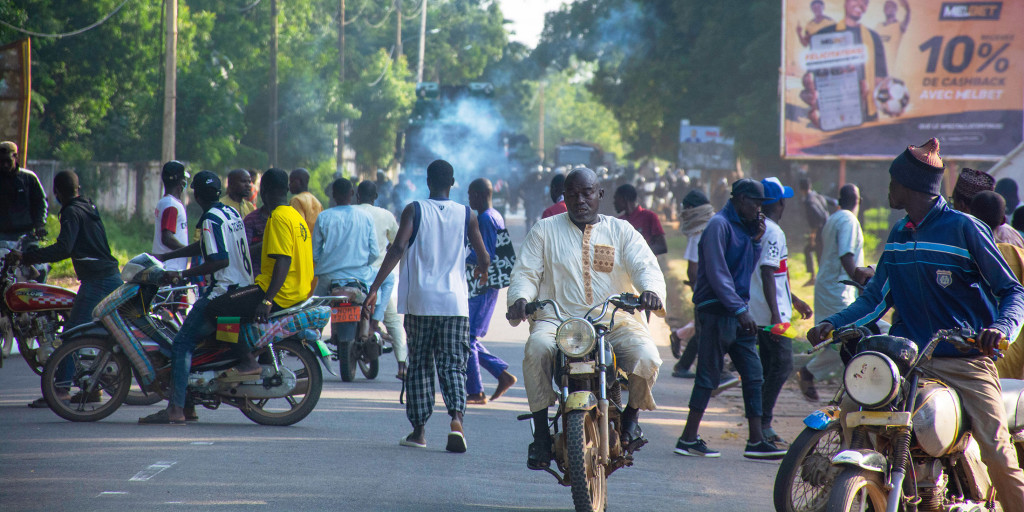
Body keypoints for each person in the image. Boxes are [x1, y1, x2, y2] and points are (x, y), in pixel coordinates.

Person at [807, 138, 1024, 510]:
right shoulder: (899, 235)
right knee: (850, 414)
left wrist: (1001, 330)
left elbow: (1013, 291)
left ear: (910, 186)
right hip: (906, 362)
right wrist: (832, 323)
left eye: (893, 182)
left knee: (998, 453)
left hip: (964, 361)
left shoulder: (964, 229)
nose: (888, 189)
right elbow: (875, 298)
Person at [507, 167, 666, 470]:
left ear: (600, 194)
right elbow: (526, 273)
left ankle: (631, 419)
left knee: (647, 357)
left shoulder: (621, 231)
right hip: (557, 319)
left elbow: (645, 265)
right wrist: (520, 300)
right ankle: (541, 435)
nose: (580, 200)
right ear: (563, 196)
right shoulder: (544, 230)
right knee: (536, 350)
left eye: (587, 193)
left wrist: (651, 291)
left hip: (613, 319)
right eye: (573, 194)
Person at [361, 159, 490, 453]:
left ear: (427, 181)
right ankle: (456, 420)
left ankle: (419, 432)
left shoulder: (414, 209)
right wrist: (481, 272)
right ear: (453, 182)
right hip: (455, 304)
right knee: (453, 365)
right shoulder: (467, 214)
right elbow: (483, 256)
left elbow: (397, 248)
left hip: (420, 302)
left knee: (420, 365)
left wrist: (375, 287)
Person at [674, 178, 787, 460]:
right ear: (738, 199)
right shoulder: (718, 226)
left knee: (753, 373)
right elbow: (717, 272)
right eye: (755, 203)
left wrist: (757, 241)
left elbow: (746, 269)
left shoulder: (744, 228)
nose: (759, 210)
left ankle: (756, 440)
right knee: (708, 376)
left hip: (737, 312)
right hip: (716, 311)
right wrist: (740, 310)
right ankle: (688, 438)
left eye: (763, 204)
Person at [138, 171, 255, 424]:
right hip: (241, 288)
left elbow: (219, 259)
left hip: (223, 293)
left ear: (196, 195)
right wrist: (166, 258)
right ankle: (190, 404)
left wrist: (182, 274)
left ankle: (176, 409)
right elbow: (208, 248)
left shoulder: (209, 219)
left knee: (181, 344)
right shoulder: (230, 213)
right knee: (204, 342)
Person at [8, 171, 122, 408]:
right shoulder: (88, 206)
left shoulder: (71, 212)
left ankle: (60, 390)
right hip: (107, 275)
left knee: (72, 332)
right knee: (88, 332)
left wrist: (28, 258)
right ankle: (92, 388)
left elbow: (64, 248)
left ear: (57, 192)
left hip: (97, 280)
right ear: (77, 188)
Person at [203, 168, 314, 377]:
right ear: (287, 189)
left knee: (217, 308)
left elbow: (283, 260)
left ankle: (246, 360)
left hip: (278, 292)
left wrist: (267, 300)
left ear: (264, 190)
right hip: (298, 291)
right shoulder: (295, 216)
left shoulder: (278, 218)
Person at [748, 177, 812, 447]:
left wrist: (794, 300)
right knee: (782, 366)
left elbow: (777, 272)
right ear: (780, 203)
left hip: (766, 310)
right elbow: (766, 272)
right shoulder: (773, 232)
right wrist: (776, 317)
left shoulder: (763, 229)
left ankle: (761, 421)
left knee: (769, 367)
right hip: (770, 315)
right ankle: (763, 422)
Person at [798, 184, 864, 401]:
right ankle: (854, 393)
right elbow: (846, 256)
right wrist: (863, 281)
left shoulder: (834, 218)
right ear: (858, 201)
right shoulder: (848, 220)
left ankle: (810, 373)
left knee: (834, 340)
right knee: (851, 339)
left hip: (829, 286)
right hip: (838, 290)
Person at [464, 178, 517, 405]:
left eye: (469, 195)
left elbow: (484, 256)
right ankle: (502, 375)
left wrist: (462, 256)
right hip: (488, 284)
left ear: (477, 194)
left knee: (467, 337)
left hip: (482, 284)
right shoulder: (495, 215)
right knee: (469, 338)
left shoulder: (484, 219)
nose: (468, 199)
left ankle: (476, 391)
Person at [354, 180, 407, 379]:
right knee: (393, 321)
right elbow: (397, 243)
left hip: (352, 276)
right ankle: (402, 363)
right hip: (379, 276)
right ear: (375, 197)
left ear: (357, 196)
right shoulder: (386, 215)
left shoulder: (350, 213)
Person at [816, 0, 889, 121]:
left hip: (867, 114)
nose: (860, 4)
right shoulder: (825, 34)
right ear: (846, 2)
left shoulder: (873, 38)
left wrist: (888, 102)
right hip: (835, 114)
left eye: (865, 2)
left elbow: (880, 79)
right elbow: (815, 76)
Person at [311, 178, 378, 296]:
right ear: (352, 193)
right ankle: (377, 314)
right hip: (359, 276)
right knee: (387, 281)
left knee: (317, 308)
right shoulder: (366, 217)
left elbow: (315, 253)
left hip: (328, 277)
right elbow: (374, 253)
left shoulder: (323, 217)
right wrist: (361, 264)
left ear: (333, 195)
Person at [0, 141, 47, 242]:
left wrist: (39, 225)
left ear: (15, 157)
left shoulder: (28, 178)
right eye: (1, 161)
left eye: (8, 161)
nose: (5, 165)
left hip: (26, 234)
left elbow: (40, 203)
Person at [153, 161, 190, 273]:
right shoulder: (171, 205)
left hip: (169, 266)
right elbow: (167, 238)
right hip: (171, 268)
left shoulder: (165, 202)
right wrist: (188, 251)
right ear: (182, 183)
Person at [614, 184, 667, 255]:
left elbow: (662, 247)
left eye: (616, 199)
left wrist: (639, 253)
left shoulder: (650, 217)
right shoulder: (619, 221)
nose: (614, 203)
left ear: (625, 199)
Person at [798, 176, 830, 285]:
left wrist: (813, 236)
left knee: (817, 253)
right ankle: (815, 277)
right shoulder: (818, 196)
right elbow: (831, 204)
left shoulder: (808, 201)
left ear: (801, 189)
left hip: (820, 231)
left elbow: (816, 220)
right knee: (812, 251)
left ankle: (817, 278)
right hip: (828, 228)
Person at [875, 0, 910, 70]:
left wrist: (907, 8)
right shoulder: (878, 26)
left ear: (895, 9)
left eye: (890, 6)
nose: (887, 8)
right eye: (886, 6)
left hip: (889, 68)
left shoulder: (899, 26)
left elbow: (907, 18)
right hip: (875, 67)